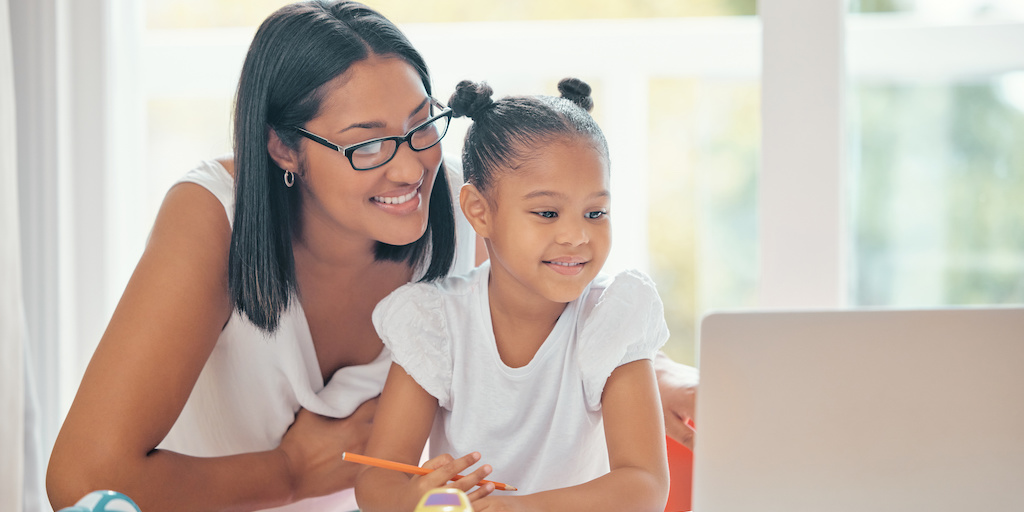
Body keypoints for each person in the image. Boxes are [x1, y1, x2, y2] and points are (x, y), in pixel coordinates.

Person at [46, 2, 696, 511]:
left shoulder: (453, 201)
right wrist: (292, 472)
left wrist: (649, 372)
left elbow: (528, 296)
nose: (411, 166)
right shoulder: (215, 214)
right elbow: (81, 480)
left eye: (420, 125)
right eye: (367, 144)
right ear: (282, 148)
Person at [355, 78, 670, 512]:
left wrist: (521, 508)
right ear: (479, 211)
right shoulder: (436, 322)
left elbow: (645, 485)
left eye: (595, 212)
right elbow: (377, 477)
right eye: (547, 213)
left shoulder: (609, 318)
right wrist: (414, 499)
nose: (577, 235)